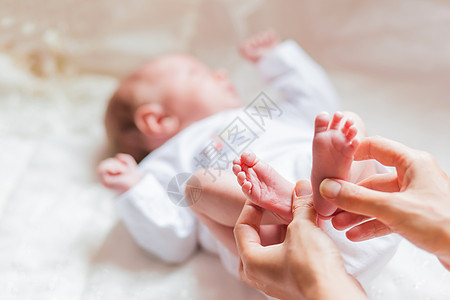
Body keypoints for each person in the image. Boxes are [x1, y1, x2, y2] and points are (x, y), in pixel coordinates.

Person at [97, 29, 398, 289]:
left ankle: (325, 194)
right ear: (158, 120)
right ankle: (286, 209)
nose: (221, 74)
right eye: (198, 74)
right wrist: (136, 190)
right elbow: (174, 241)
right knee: (197, 186)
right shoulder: (166, 161)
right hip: (277, 248)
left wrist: (277, 61)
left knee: (346, 124)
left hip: (358, 217)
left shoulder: (262, 111)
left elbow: (316, 102)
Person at [234, 136, 450, 299]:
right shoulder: (199, 135)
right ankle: (324, 193)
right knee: (355, 137)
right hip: (358, 240)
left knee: (208, 188)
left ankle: (313, 198)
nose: (222, 75)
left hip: (292, 268)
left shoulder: (284, 112)